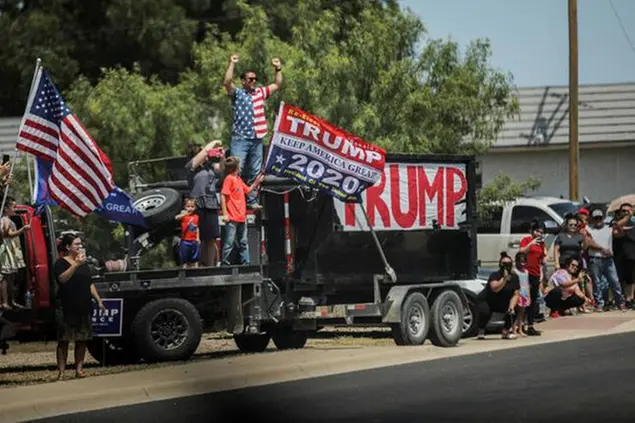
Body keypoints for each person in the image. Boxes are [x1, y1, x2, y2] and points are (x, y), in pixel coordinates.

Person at [223, 54, 283, 210]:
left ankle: (251, 201)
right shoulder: (238, 93)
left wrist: (278, 68)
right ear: (243, 81)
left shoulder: (260, 93)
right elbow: (227, 82)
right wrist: (232, 63)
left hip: (257, 137)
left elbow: (277, 84)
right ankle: (233, 200)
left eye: (255, 79)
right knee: (236, 169)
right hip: (241, 137)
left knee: (256, 171)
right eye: (250, 79)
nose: (254, 81)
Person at [54, 234, 107, 380]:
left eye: (80, 244)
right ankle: (62, 372)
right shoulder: (60, 263)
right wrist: (75, 264)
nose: (80, 246)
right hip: (66, 307)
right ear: (68, 247)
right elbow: (62, 279)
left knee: (82, 339)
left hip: (84, 306)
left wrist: (98, 300)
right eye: (76, 244)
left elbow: (89, 283)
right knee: (64, 341)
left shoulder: (84, 264)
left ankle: (79, 370)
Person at [185, 140, 224, 266]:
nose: (206, 156)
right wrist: (214, 142)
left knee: (211, 238)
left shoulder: (210, 166)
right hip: (197, 204)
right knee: (197, 237)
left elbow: (222, 168)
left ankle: (210, 265)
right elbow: (205, 151)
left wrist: (222, 156)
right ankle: (197, 264)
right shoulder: (191, 166)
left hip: (211, 203)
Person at [220, 157, 265, 266]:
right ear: (236, 167)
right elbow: (223, 195)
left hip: (241, 217)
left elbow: (248, 191)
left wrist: (257, 181)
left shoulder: (238, 179)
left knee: (243, 242)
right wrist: (225, 213)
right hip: (232, 217)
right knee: (229, 242)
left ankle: (246, 263)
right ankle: (225, 263)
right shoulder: (229, 179)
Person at [586, 208, 627, 312]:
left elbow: (621, 234)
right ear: (592, 219)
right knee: (597, 282)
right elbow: (588, 242)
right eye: (596, 218)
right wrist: (601, 248)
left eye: (600, 218)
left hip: (608, 259)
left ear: (603, 218)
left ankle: (620, 302)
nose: (598, 220)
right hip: (595, 259)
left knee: (615, 281)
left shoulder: (608, 229)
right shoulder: (589, 229)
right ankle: (599, 304)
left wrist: (617, 225)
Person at [477, 252, 520, 340]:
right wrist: (504, 279)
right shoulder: (495, 275)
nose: (507, 266)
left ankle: (505, 331)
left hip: (501, 301)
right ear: (500, 264)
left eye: (509, 263)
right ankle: (481, 329)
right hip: (487, 300)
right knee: (485, 312)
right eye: (504, 264)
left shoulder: (515, 277)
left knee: (516, 309)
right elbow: (495, 289)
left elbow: (516, 294)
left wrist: (511, 307)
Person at [554, 216, 594, 309]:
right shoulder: (561, 236)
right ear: (567, 225)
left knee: (579, 285)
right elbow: (556, 250)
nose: (573, 226)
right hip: (564, 263)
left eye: (575, 225)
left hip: (576, 264)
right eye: (571, 225)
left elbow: (584, 248)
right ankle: (566, 306)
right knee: (566, 286)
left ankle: (581, 305)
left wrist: (585, 237)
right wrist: (556, 263)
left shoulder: (579, 236)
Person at [0, 196, 29, 309]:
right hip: (6, 251)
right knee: (5, 277)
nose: (15, 209)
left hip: (12, 250)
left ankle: (11, 301)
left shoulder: (9, 220)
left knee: (11, 277)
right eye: (13, 207)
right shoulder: (4, 220)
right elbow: (8, 234)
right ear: (6, 208)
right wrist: (23, 229)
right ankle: (4, 302)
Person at [518, 219, 546, 336]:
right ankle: (520, 325)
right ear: (532, 231)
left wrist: (542, 270)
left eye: (541, 232)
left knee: (533, 301)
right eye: (537, 231)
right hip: (526, 274)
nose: (539, 234)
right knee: (524, 300)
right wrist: (532, 243)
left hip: (535, 274)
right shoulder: (526, 240)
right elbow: (521, 252)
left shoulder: (541, 244)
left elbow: (542, 259)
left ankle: (530, 325)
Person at [613, 203, 635, 308]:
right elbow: (616, 231)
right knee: (619, 278)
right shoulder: (615, 221)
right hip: (619, 254)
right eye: (623, 211)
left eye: (627, 210)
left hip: (632, 254)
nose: (625, 212)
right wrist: (627, 217)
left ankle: (629, 299)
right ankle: (617, 299)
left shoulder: (634, 221)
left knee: (631, 279)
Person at [175, 198, 201, 268]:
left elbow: (197, 227)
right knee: (184, 257)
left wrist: (198, 238)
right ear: (185, 207)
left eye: (192, 207)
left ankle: (196, 269)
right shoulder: (184, 216)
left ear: (195, 207)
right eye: (188, 206)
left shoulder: (196, 217)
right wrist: (184, 214)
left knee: (195, 257)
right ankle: (184, 269)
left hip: (194, 240)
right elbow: (176, 217)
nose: (190, 208)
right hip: (185, 240)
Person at [511, 252, 530, 337]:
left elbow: (527, 283)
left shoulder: (526, 271)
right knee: (516, 312)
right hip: (518, 293)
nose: (522, 264)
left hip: (525, 293)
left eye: (524, 262)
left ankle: (520, 329)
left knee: (522, 313)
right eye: (520, 262)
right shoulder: (514, 271)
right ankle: (514, 329)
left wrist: (528, 295)